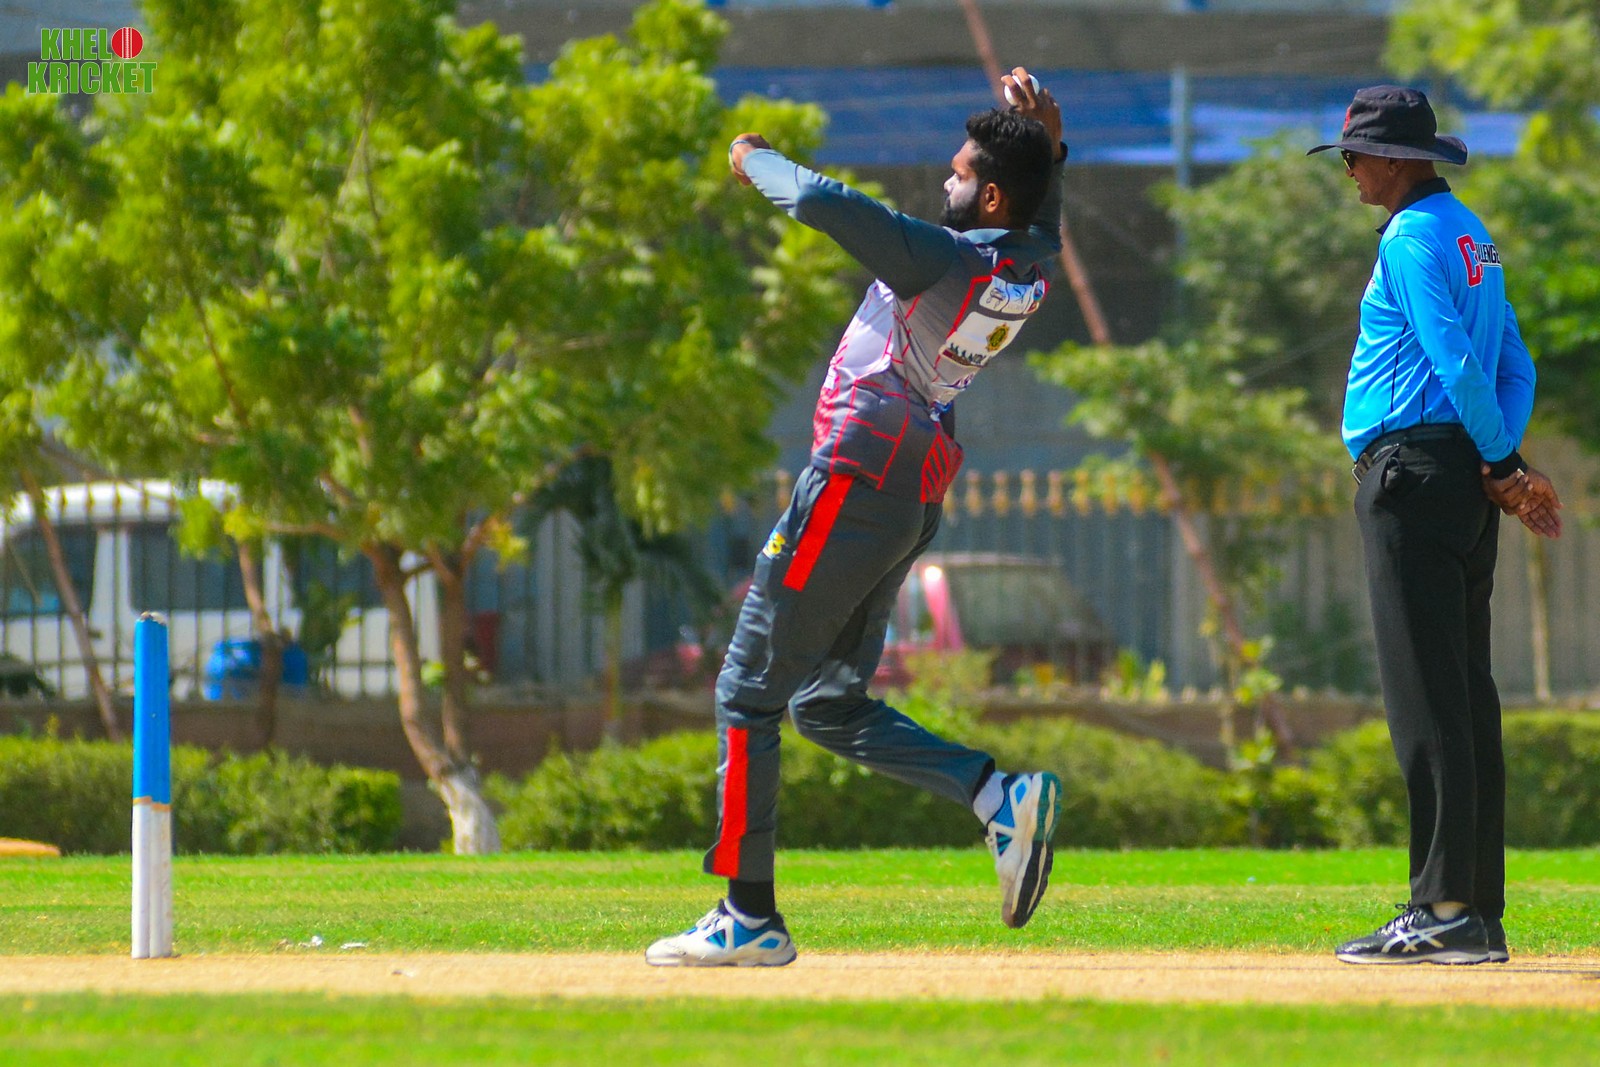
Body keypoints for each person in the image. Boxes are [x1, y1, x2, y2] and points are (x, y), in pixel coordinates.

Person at [646, 68, 1068, 967]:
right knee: (824, 704)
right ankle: (995, 797)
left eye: (960, 174)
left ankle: (746, 915)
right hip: (908, 493)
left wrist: (754, 161)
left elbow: (824, 203)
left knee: (746, 689)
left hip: (853, 481)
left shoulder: (943, 257)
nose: (946, 182)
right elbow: (1044, 220)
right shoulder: (1026, 268)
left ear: (992, 196)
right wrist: (1051, 150)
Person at [1309, 85, 1562, 966]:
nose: (1350, 169)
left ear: (1395, 160)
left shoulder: (1410, 238)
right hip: (1459, 480)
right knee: (1464, 696)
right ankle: (1476, 913)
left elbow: (1456, 359)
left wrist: (1505, 465)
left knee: (1425, 701)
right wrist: (1497, 464)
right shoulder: (1470, 235)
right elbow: (1514, 365)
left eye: (1356, 155)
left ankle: (1443, 909)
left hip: (1412, 476)